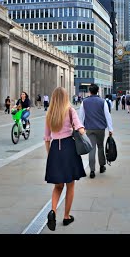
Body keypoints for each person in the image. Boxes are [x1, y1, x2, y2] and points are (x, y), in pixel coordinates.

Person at [44, 86, 86, 231]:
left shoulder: (49, 114)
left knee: (58, 186)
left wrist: (50, 155)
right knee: (70, 184)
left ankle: (53, 211)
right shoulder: (69, 110)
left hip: (55, 149)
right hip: (69, 148)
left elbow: (47, 138)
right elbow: (79, 125)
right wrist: (81, 130)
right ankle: (66, 216)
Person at [79, 84, 114, 179]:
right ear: (97, 91)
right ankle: (102, 166)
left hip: (89, 128)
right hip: (100, 129)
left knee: (92, 148)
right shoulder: (103, 102)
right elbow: (108, 116)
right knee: (100, 146)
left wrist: (80, 127)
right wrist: (110, 129)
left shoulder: (84, 102)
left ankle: (92, 170)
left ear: (89, 91)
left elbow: (81, 116)